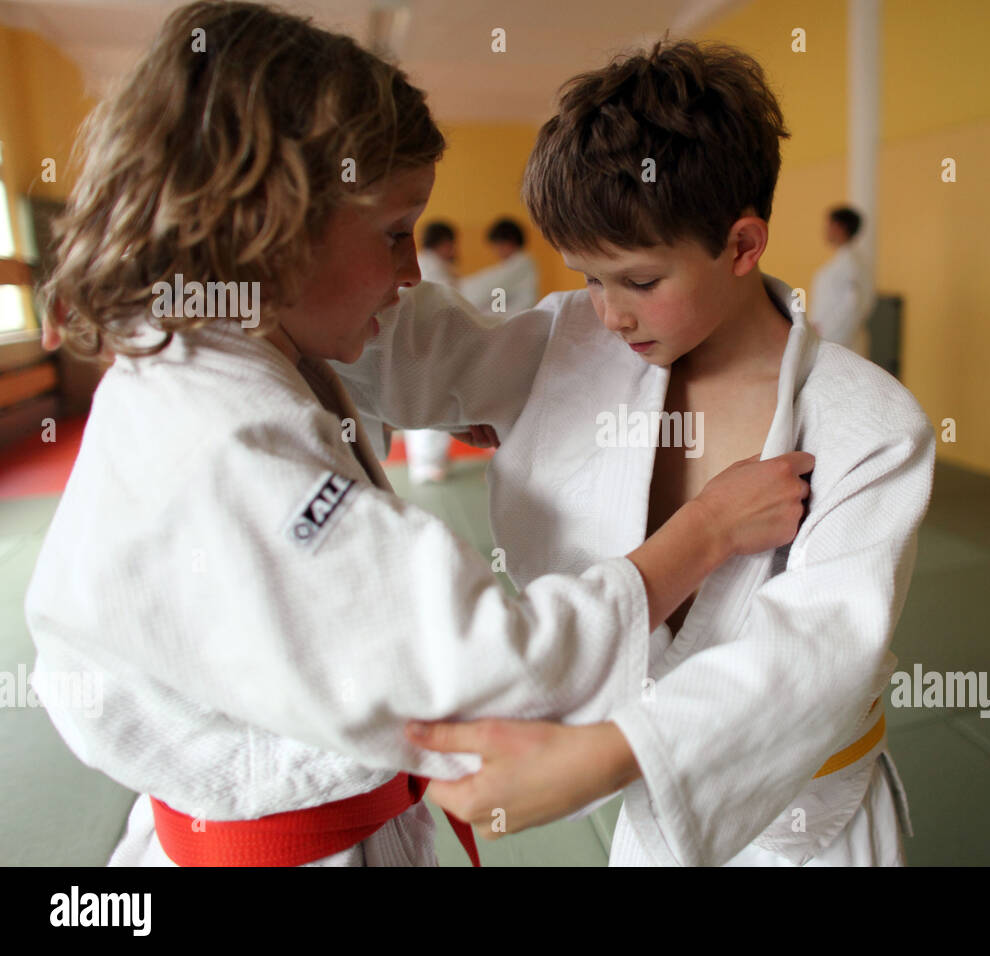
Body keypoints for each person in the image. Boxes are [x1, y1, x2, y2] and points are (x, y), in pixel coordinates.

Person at [25, 2, 813, 868]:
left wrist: (537, 389)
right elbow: (488, 666)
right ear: (270, 228)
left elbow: (413, 339)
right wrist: (704, 534)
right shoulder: (225, 448)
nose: (411, 269)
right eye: (395, 233)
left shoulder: (227, 331)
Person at [340, 39, 935, 866]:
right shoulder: (566, 345)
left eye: (640, 281)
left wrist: (611, 753)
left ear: (741, 244)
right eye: (589, 277)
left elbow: (820, 650)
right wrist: (247, 270)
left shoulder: (869, 425)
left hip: (811, 828)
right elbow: (389, 347)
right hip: (652, 815)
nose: (610, 314)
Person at [407, 220, 459, 482]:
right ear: (446, 243)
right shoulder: (434, 266)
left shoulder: (421, 261)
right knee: (434, 400)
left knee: (421, 400)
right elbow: (450, 304)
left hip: (416, 342)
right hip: (431, 342)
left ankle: (424, 463)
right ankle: (429, 464)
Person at [810, 205, 874, 354]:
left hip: (839, 342)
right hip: (831, 340)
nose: (825, 230)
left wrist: (826, 333)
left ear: (840, 227)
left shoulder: (850, 265)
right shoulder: (844, 262)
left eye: (829, 225)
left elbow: (851, 306)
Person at [458, 217, 539, 319]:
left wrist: (459, 287)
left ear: (510, 241)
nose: (496, 251)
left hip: (519, 322)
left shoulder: (522, 262)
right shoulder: (515, 264)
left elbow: (489, 286)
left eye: (498, 245)